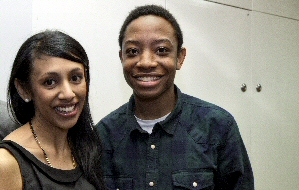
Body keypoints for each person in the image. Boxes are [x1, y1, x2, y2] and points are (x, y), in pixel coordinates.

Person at [96, 4, 254, 190]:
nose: (146, 62)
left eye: (161, 50)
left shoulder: (217, 127)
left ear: (180, 57)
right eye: (133, 51)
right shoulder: (102, 136)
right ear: (121, 57)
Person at [0, 30, 105, 189]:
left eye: (75, 78)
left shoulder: (87, 147)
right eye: (50, 82)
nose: (68, 93)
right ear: (24, 89)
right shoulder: (7, 164)